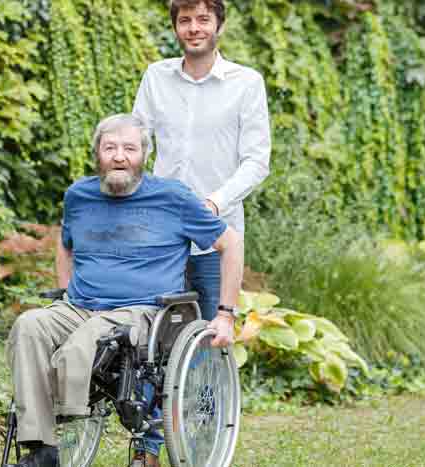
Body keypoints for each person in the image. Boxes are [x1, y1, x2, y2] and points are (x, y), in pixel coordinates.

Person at [5, 114, 244, 467]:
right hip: (81, 306)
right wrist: (64, 291)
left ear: (143, 156)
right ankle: (42, 448)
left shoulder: (172, 198)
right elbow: (65, 245)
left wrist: (225, 315)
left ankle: (65, 412)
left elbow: (231, 244)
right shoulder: (79, 196)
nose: (119, 156)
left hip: (144, 311)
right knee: (28, 326)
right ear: (97, 154)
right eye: (110, 147)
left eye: (129, 148)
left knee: (87, 340)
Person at [132, 0, 271, 463]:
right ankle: (150, 449)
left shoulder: (245, 84)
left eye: (203, 19)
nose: (194, 28)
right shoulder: (156, 77)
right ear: (176, 27)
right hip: (162, 238)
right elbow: (138, 144)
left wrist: (214, 202)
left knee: (211, 342)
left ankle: (202, 445)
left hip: (217, 236)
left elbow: (256, 160)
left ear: (219, 25)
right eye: (185, 20)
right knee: (153, 340)